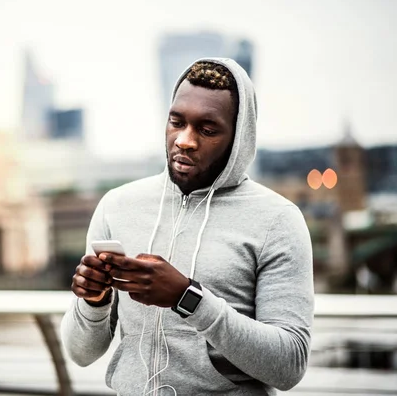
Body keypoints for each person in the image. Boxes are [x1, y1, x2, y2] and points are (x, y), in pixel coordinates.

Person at [60, 58, 314, 395]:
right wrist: (93, 301)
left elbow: (288, 366)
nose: (185, 140)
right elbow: (80, 353)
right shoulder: (117, 207)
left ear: (239, 136)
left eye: (207, 130)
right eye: (176, 122)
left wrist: (187, 297)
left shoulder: (278, 220)